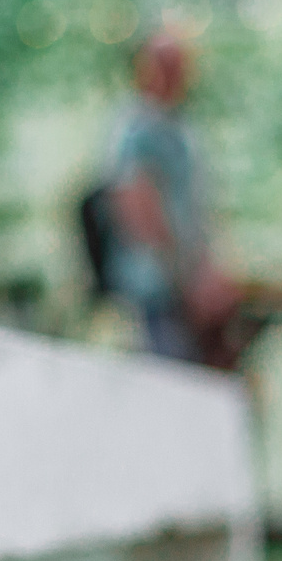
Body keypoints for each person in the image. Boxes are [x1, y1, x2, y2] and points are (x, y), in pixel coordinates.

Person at [103, 31, 237, 365]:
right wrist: (185, 276)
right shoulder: (136, 130)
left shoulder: (179, 128)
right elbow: (138, 209)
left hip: (185, 287)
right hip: (157, 288)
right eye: (163, 64)